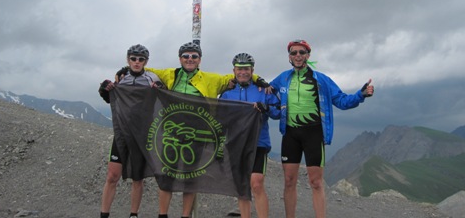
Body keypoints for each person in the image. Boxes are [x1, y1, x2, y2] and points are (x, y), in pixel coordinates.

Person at [141, 42, 268, 218]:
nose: (190, 59)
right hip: (172, 133)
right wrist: (123, 71)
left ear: (200, 59)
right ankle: (162, 215)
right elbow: (145, 69)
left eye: (194, 56)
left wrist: (258, 79)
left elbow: (241, 75)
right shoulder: (170, 74)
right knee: (166, 176)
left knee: (190, 178)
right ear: (180, 59)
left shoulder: (211, 79)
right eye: (186, 56)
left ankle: (185, 216)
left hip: (197, 134)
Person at [269, 39, 375, 218]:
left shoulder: (322, 80)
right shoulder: (282, 78)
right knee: (288, 181)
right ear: (289, 56)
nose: (297, 56)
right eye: (293, 53)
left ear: (308, 55)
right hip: (290, 133)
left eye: (301, 52)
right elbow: (267, 93)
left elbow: (341, 101)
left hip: (314, 133)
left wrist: (361, 94)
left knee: (316, 182)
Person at [98, 44, 162, 218]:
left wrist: (160, 90)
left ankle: (133, 214)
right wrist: (104, 89)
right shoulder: (121, 78)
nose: (137, 62)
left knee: (137, 177)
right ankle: (104, 214)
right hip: (123, 133)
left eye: (141, 59)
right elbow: (111, 99)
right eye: (133, 59)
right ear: (128, 59)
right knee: (112, 175)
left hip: (142, 134)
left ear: (146, 62)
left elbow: (162, 101)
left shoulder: (152, 78)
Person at [219, 53, 281, 218]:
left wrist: (266, 108)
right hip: (236, 143)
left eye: (246, 69)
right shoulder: (227, 93)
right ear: (234, 70)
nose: (243, 72)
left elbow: (278, 112)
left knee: (256, 183)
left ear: (252, 70)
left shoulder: (263, 90)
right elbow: (221, 117)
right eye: (239, 69)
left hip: (258, 142)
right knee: (242, 186)